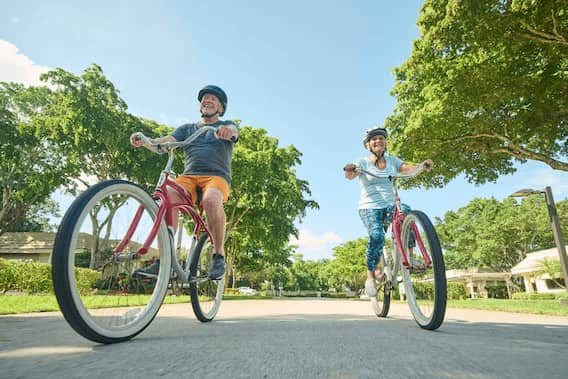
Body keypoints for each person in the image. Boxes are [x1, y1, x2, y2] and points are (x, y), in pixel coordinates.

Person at [130, 85, 239, 279]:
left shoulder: (226, 124)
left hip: (216, 177)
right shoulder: (187, 129)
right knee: (166, 198)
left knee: (212, 200)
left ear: (221, 108)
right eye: (205, 98)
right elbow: (164, 144)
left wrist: (226, 131)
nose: (207, 100)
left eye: (213, 99)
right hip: (189, 177)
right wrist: (146, 141)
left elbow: (233, 132)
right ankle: (166, 259)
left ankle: (219, 255)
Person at [343, 126, 433, 297]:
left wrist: (421, 166)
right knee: (377, 236)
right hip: (369, 207)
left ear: (385, 143)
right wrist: (350, 170)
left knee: (406, 212)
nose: (378, 141)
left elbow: (407, 168)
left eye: (381, 138)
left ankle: (410, 255)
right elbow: (351, 173)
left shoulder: (392, 161)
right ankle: (371, 275)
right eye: (374, 139)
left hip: (391, 204)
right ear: (368, 144)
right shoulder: (363, 162)